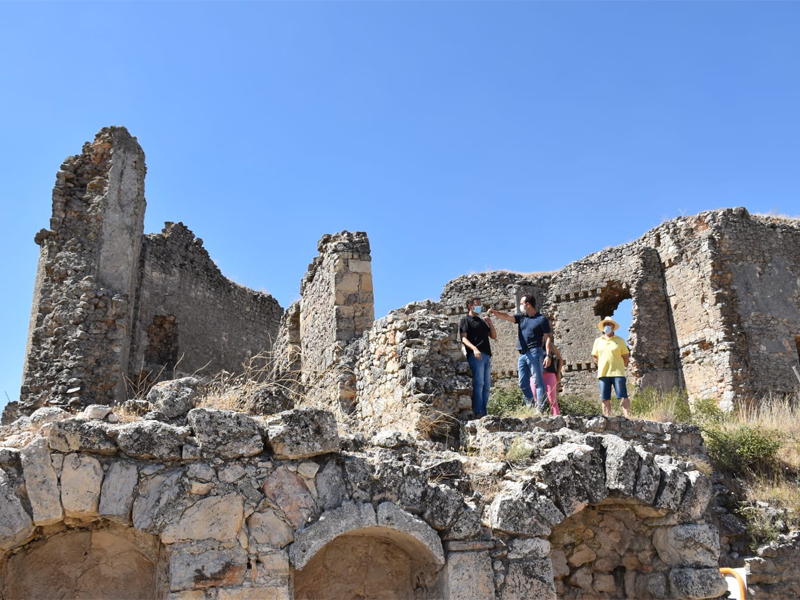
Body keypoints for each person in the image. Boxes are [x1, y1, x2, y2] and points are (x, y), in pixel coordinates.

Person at [488, 294, 553, 413]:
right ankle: (530, 406)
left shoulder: (541, 319)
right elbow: (507, 316)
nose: (520, 306)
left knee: (538, 381)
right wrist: (494, 312)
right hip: (522, 354)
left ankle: (540, 408)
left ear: (528, 304)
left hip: (535, 352)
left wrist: (548, 355)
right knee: (522, 382)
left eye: (522, 303)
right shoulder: (522, 317)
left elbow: (548, 337)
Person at [459, 297, 497, 418]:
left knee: (486, 386)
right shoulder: (465, 320)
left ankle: (484, 413)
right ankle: (478, 412)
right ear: (470, 306)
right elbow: (463, 338)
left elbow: (493, 336)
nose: (480, 306)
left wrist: (490, 324)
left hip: (486, 356)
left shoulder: (481, 322)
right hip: (476, 356)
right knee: (479, 383)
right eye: (477, 304)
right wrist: (474, 349)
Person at [591, 317, 631, 418]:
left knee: (623, 396)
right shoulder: (598, 341)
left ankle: (628, 417)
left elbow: (626, 356)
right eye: (605, 324)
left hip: (618, 373)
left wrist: (622, 366)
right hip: (603, 373)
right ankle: (607, 417)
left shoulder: (620, 340)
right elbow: (595, 358)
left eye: (609, 324)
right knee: (605, 398)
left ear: (613, 326)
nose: (607, 326)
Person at [535, 341, 563, 416]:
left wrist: (558, 373)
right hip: (534, 375)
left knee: (552, 398)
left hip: (549, 374)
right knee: (534, 398)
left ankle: (556, 417)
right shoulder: (531, 346)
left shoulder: (550, 346)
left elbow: (560, 359)